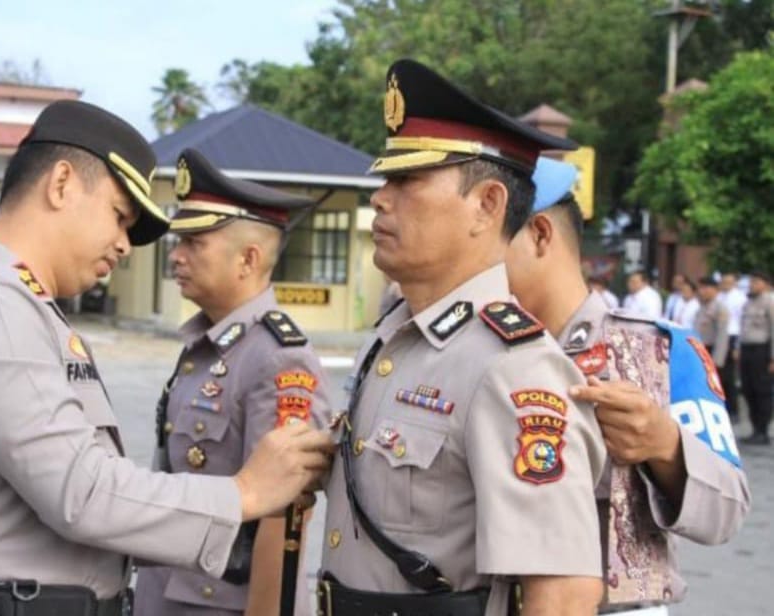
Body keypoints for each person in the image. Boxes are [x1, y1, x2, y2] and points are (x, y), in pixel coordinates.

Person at [0, 100, 333, 616]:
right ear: (61, 185)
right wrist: (243, 494)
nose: (126, 246)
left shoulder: (19, 306)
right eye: (120, 217)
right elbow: (81, 490)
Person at [318, 59, 607, 616]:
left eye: (407, 180)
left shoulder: (512, 368)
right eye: (384, 179)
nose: (380, 198)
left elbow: (563, 595)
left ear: (487, 205)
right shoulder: (396, 342)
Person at [507, 158, 749, 614]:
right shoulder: (475, 349)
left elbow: (728, 510)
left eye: (493, 240)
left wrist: (667, 447)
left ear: (540, 234)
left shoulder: (656, 349)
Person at [133, 148, 332, 616]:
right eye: (177, 241)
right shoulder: (207, 345)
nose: (176, 256)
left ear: (248, 258)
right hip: (166, 593)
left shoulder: (279, 357)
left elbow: (284, 518)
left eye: (194, 243)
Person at [738, 272, 774, 445]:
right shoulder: (748, 302)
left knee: (762, 391)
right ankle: (754, 429)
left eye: (756, 282)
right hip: (747, 349)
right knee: (748, 389)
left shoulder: (770, 301)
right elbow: (742, 328)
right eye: (751, 281)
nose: (752, 284)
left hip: (762, 350)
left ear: (765, 284)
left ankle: (763, 430)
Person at [718, 272, 748, 422]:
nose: (725, 284)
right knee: (719, 375)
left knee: (730, 377)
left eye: (729, 282)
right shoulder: (720, 296)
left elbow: (743, 322)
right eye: (724, 281)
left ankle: (734, 410)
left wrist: (737, 345)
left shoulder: (740, 298)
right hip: (720, 336)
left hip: (732, 336)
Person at [694, 277, 731, 382]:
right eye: (700, 288)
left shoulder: (720, 308)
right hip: (701, 350)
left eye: (705, 288)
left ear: (715, 290)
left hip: (712, 351)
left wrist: (717, 361)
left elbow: (722, 336)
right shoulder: (701, 307)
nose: (701, 291)